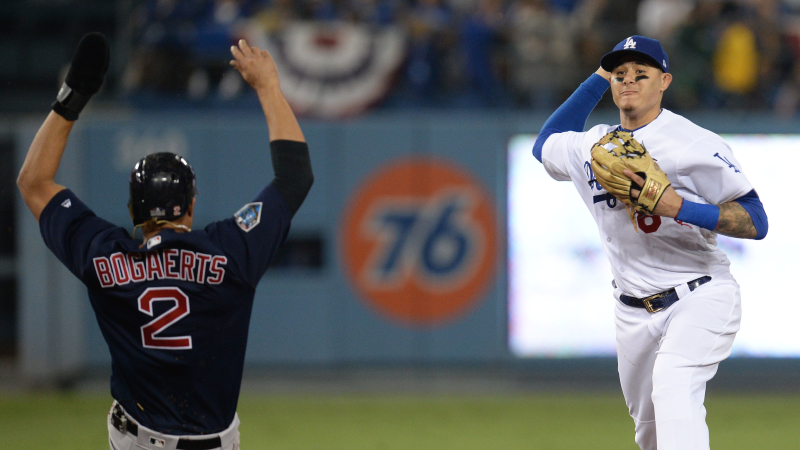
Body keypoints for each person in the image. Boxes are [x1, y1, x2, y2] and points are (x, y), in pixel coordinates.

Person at [17, 33, 313, 450]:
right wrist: (267, 86)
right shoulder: (231, 252)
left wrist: (73, 98)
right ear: (190, 205)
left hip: (136, 438)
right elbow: (295, 177)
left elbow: (33, 183)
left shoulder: (106, 259)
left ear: (134, 211)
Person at [531, 35, 768, 450]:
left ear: (665, 82)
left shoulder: (692, 142)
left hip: (700, 293)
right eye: (620, 74)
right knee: (652, 433)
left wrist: (678, 206)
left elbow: (756, 220)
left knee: (675, 386)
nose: (629, 81)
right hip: (631, 312)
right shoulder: (593, 145)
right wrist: (599, 77)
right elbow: (545, 143)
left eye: (642, 74)